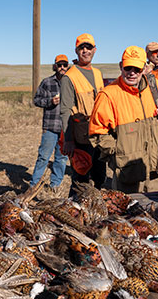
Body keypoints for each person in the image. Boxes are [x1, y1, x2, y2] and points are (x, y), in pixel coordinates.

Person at [90, 46, 158, 193]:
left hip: (157, 173)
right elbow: (97, 133)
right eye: (128, 68)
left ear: (144, 68)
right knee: (129, 215)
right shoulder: (108, 95)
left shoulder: (154, 88)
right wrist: (118, 153)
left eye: (137, 69)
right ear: (121, 66)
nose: (132, 73)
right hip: (127, 174)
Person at [59, 33, 106, 191]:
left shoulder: (98, 73)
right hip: (80, 137)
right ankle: (73, 212)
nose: (85, 51)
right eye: (81, 48)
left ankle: (96, 211)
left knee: (100, 177)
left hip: (99, 134)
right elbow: (65, 110)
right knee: (81, 179)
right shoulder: (69, 77)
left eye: (89, 47)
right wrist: (68, 139)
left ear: (95, 50)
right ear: (76, 51)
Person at [29, 54, 70, 192]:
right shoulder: (47, 82)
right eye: (59, 65)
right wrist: (50, 102)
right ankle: (34, 185)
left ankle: (55, 185)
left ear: (68, 66)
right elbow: (36, 100)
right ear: (55, 66)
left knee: (62, 158)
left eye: (65, 64)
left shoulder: (71, 82)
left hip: (66, 127)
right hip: (50, 126)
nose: (62, 67)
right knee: (43, 157)